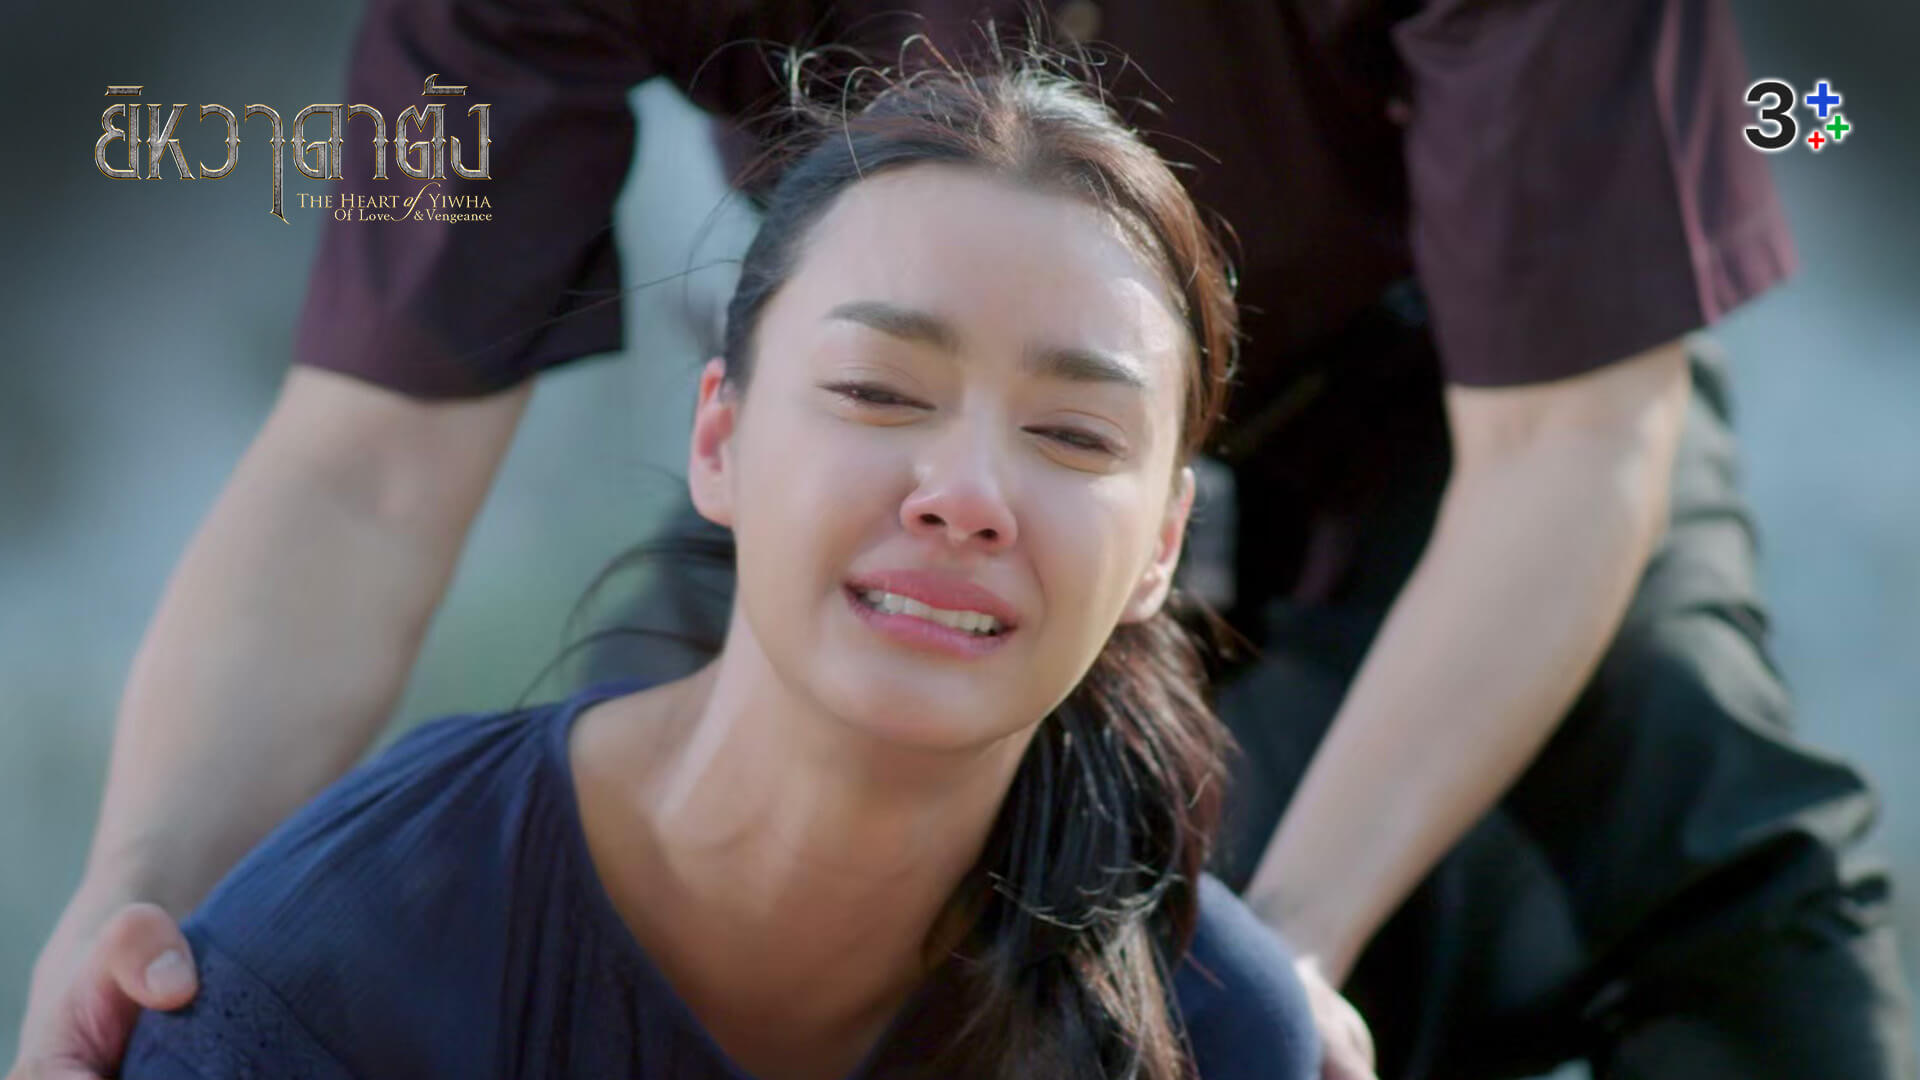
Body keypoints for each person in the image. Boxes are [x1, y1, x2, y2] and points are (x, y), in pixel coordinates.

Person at [12, 2, 1915, 1079]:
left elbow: (1576, 443)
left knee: (1766, 957)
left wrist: (1278, 971)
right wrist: (135, 894)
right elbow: (368, 453)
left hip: (1473, 411)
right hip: (885, 440)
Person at [108, 63, 1318, 1080]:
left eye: (1073, 435)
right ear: (718, 440)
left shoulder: (1212, 1033)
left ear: (1163, 545)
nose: (965, 496)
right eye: (877, 391)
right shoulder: (351, 952)